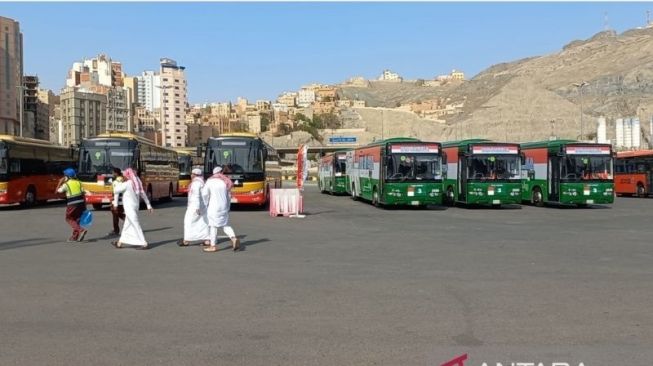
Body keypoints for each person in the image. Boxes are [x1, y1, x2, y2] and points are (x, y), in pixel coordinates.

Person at [110, 168, 153, 250]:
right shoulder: (137, 182)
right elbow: (143, 193)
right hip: (135, 207)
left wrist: (116, 182)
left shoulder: (128, 183)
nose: (124, 177)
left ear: (127, 176)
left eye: (124, 176)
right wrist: (148, 205)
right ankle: (120, 243)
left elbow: (116, 190)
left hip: (130, 208)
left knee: (136, 225)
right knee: (126, 226)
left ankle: (144, 243)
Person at [202, 166, 240, 253]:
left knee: (213, 226)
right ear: (221, 172)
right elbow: (229, 196)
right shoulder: (225, 181)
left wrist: (205, 204)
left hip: (214, 207)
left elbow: (204, 194)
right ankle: (233, 238)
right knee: (225, 224)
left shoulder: (210, 181)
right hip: (224, 207)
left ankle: (213, 246)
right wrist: (227, 207)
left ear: (214, 173)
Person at [178, 168, 210, 246]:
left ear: (195, 175)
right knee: (203, 222)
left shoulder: (196, 183)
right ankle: (207, 240)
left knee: (188, 222)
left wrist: (196, 207)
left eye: (192, 174)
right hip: (202, 206)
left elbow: (196, 195)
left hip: (195, 206)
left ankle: (186, 240)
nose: (191, 175)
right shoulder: (202, 182)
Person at [56, 168, 88, 242]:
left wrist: (60, 182)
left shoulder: (66, 184)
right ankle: (75, 237)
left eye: (64, 176)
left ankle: (81, 230)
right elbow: (83, 194)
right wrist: (85, 206)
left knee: (69, 218)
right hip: (81, 204)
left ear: (67, 176)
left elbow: (57, 192)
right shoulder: (79, 182)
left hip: (72, 204)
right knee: (76, 220)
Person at [107, 167, 126, 237]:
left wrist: (115, 204)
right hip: (124, 201)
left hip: (117, 201)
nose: (112, 174)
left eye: (113, 172)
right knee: (117, 214)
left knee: (116, 214)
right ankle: (116, 229)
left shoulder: (116, 182)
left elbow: (116, 193)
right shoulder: (124, 180)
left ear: (116, 173)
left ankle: (116, 230)